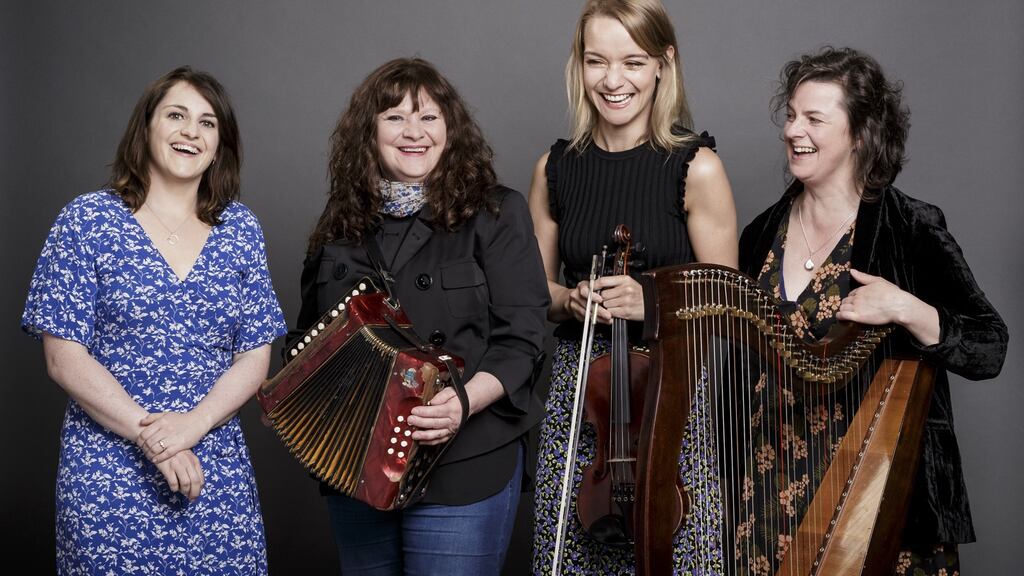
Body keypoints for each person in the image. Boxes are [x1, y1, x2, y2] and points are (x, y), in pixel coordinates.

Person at [738, 46, 1007, 575]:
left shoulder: (911, 227)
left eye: (814, 118)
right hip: (768, 489)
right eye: (791, 115)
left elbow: (988, 345)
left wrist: (907, 307)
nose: (794, 130)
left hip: (880, 488)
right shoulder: (760, 233)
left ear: (860, 133)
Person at [21, 66, 287, 574]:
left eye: (208, 123)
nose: (192, 131)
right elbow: (62, 357)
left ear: (220, 145)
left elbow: (254, 355)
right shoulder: (86, 220)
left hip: (214, 468)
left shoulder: (240, 228)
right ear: (146, 128)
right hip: (108, 472)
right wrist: (154, 438)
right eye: (177, 115)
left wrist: (192, 426)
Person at [293, 57, 549, 575]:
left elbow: (525, 337)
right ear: (369, 133)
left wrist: (462, 401)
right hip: (357, 467)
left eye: (428, 117)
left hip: (466, 459)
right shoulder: (339, 224)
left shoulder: (496, 213)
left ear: (451, 129)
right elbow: (308, 336)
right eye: (394, 118)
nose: (414, 133)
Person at [528, 0, 738, 573]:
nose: (613, 80)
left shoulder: (697, 168)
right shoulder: (555, 167)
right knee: (572, 553)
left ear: (663, 64)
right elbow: (531, 294)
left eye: (633, 62)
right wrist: (568, 299)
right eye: (597, 61)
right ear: (580, 64)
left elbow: (728, 303)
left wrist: (654, 300)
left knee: (674, 551)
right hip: (583, 398)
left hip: (669, 392)